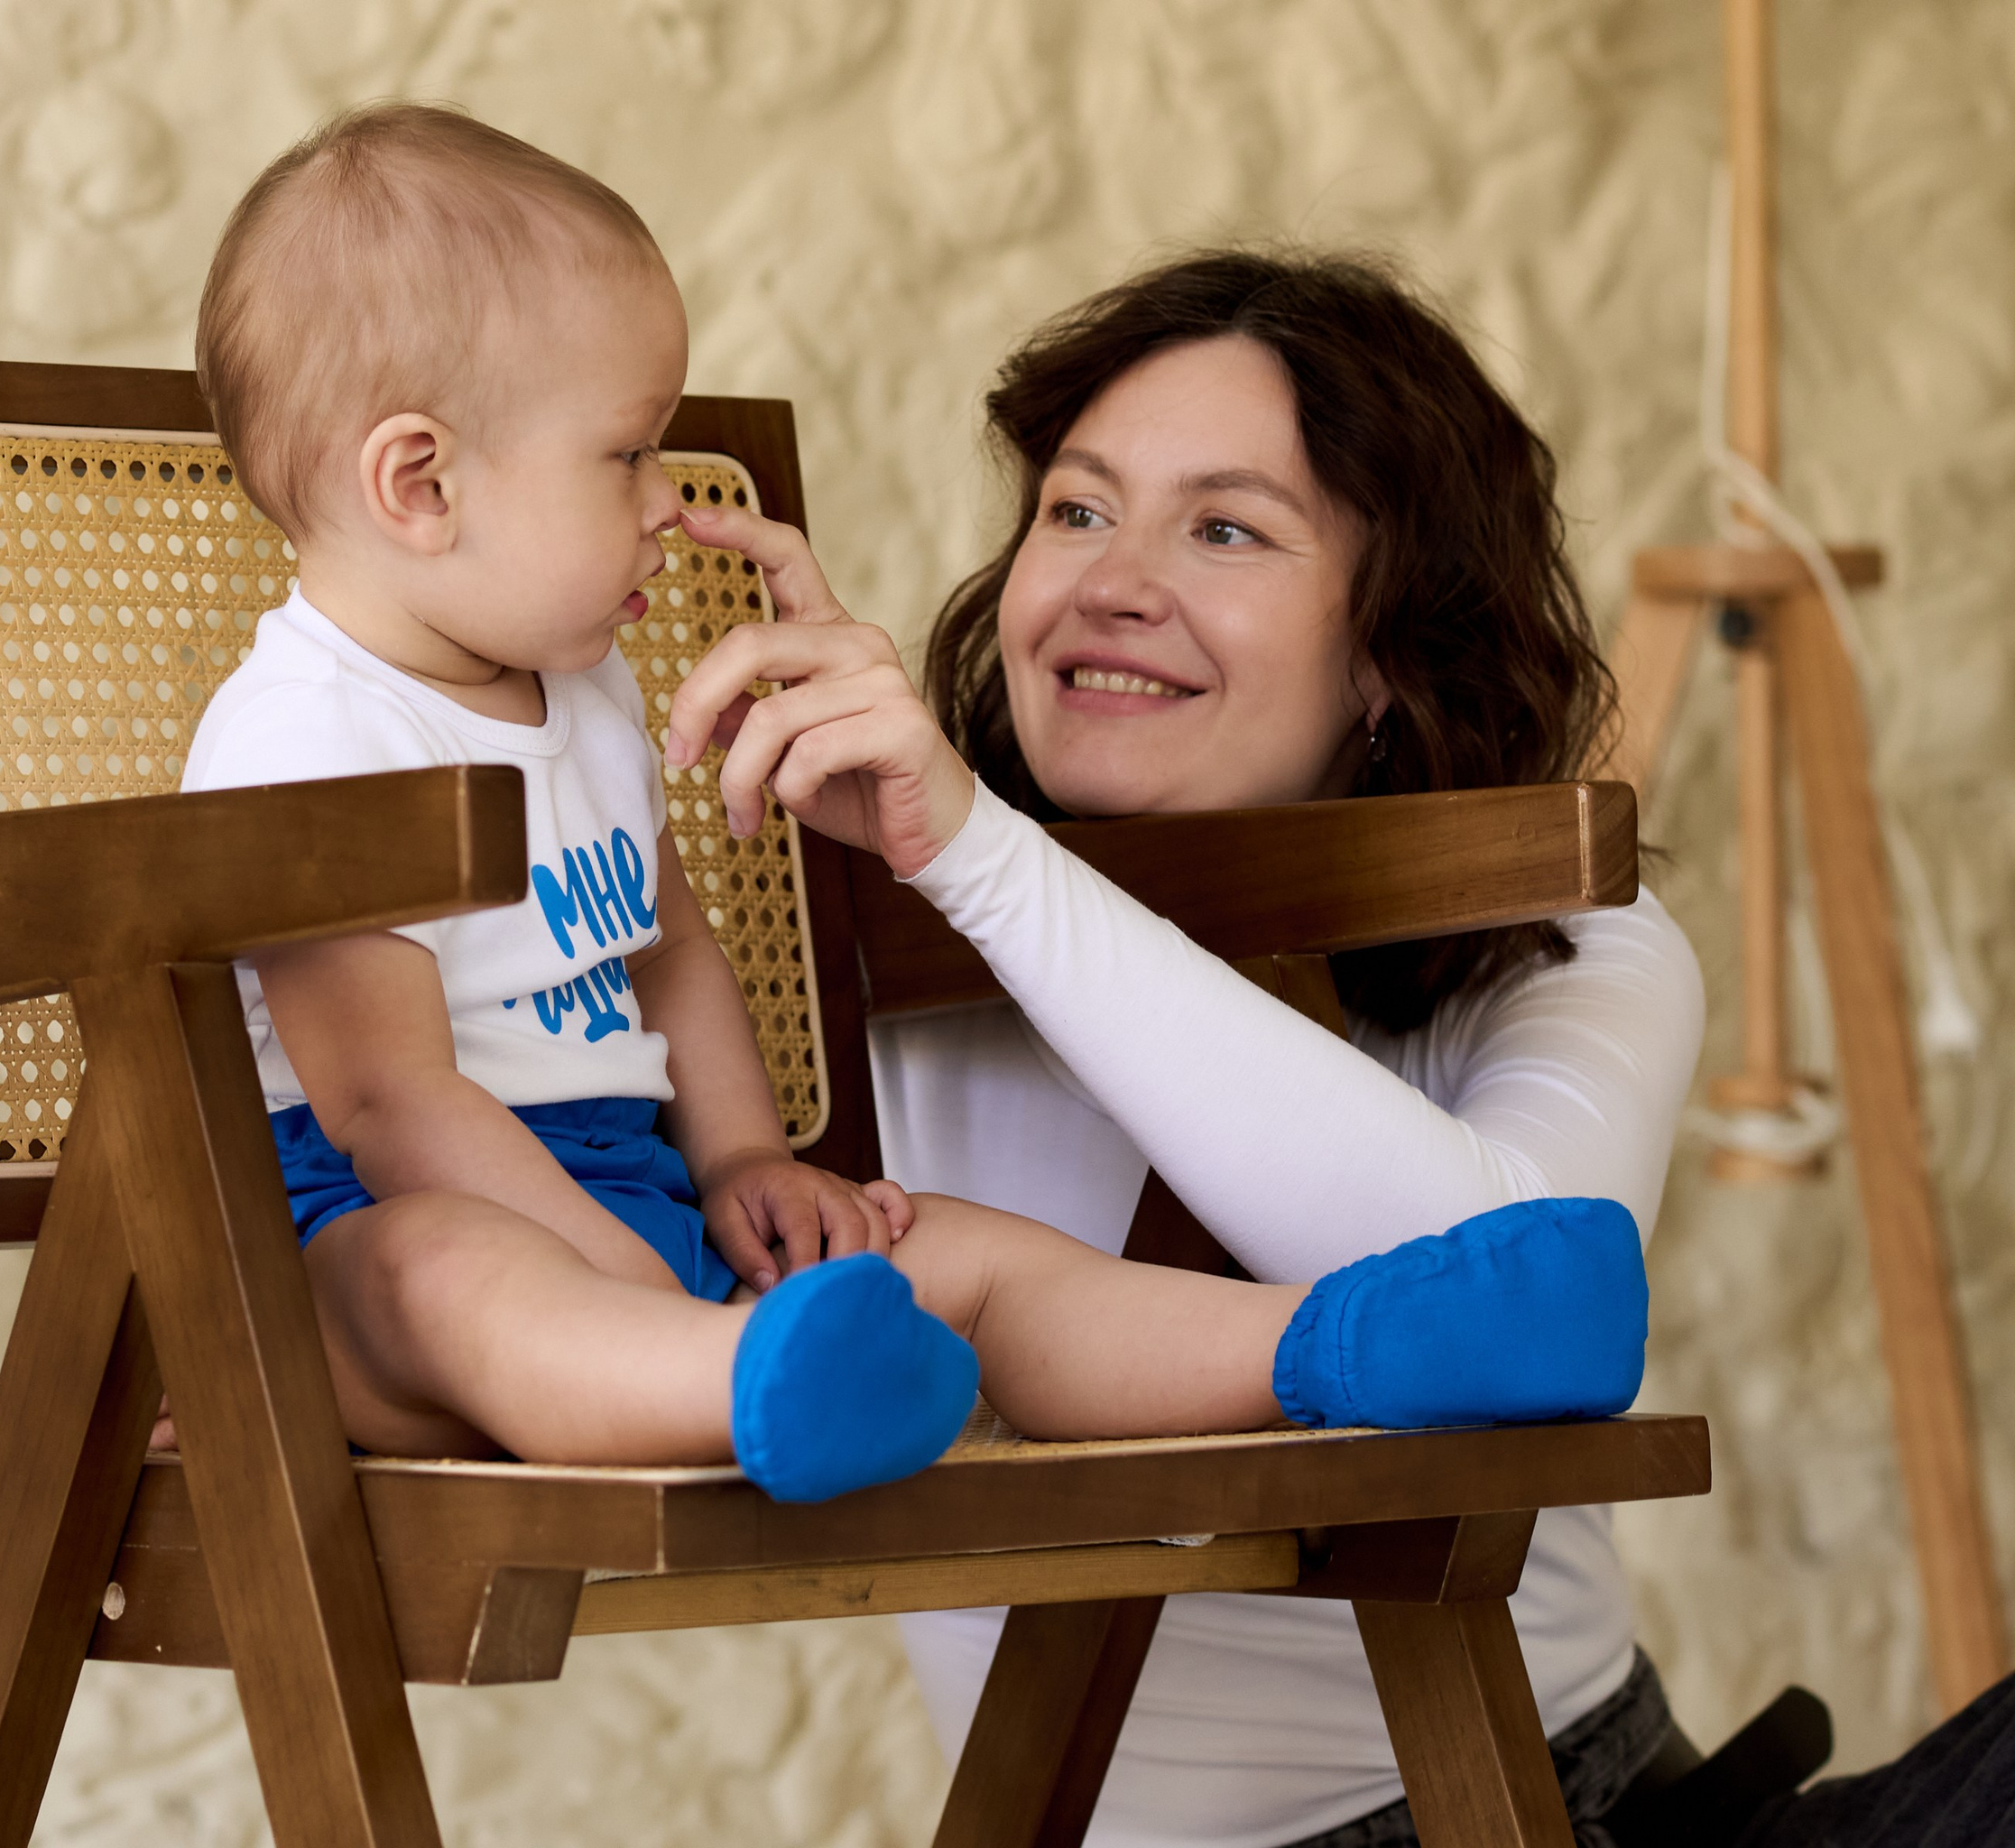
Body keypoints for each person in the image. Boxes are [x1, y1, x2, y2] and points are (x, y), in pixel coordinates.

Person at [174, 108, 1644, 1507]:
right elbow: (386, 1103)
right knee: (443, 1279)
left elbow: (672, 949)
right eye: (628, 452)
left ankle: (1345, 1344)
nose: (664, 499)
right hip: (379, 1228)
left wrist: (747, 1160)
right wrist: (619, 1280)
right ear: (420, 482)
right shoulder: (307, 736)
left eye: (1223, 527)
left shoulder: (585, 694)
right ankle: (752, 1375)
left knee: (973, 1261)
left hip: (639, 1195)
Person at [663, 251, 1705, 1843]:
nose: (1107, 583)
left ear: (1386, 653)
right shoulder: (811, 969)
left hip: (1552, 1803)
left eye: (1224, 529)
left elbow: (1507, 1301)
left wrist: (989, 860)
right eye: (1076, 511)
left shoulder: (1570, 944)